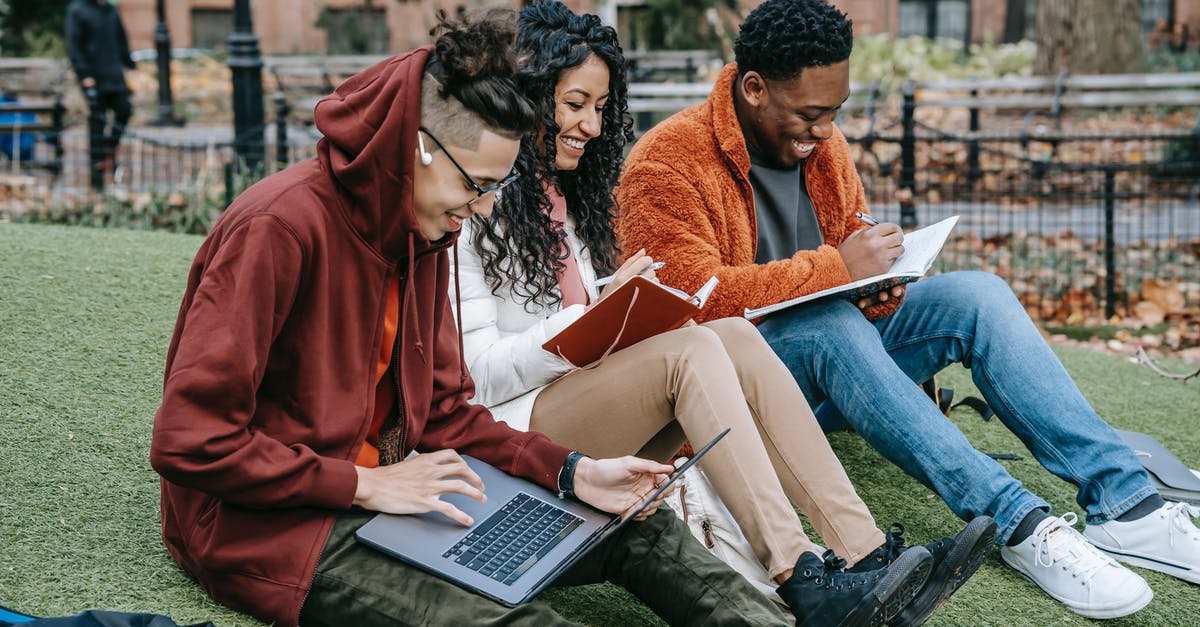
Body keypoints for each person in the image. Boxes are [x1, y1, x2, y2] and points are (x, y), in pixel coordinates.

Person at [149, 10, 793, 627]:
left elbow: (450, 413)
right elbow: (190, 439)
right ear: (421, 149)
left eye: (495, 187)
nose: (483, 210)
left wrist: (575, 472)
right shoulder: (277, 228)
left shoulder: (423, 231)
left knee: (637, 524)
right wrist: (362, 486)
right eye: (476, 185)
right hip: (277, 526)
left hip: (416, 488)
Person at [615, 0, 1200, 620]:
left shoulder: (823, 144)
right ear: (754, 88)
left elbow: (849, 236)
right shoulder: (666, 160)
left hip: (838, 353)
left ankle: (1126, 505)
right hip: (740, 390)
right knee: (824, 326)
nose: (822, 133)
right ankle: (1021, 525)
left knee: (978, 294)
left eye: (834, 113)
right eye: (809, 115)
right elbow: (683, 305)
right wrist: (840, 270)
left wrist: (880, 281)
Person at [453, 3, 997, 625]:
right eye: (574, 104)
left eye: (601, 109)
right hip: (515, 435)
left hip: (576, 398)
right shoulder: (467, 206)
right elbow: (475, 379)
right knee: (694, 350)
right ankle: (800, 575)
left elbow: (581, 323)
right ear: (526, 96)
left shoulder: (568, 200)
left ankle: (864, 556)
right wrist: (593, 319)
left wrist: (619, 306)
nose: (592, 126)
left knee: (731, 333)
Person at [65, 0, 134, 190]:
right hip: (93, 77)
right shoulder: (78, 10)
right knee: (97, 125)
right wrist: (84, 75)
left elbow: (121, 40)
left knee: (125, 111)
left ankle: (108, 152)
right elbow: (74, 45)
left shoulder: (110, 10)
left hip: (114, 76)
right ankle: (96, 181)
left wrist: (131, 66)